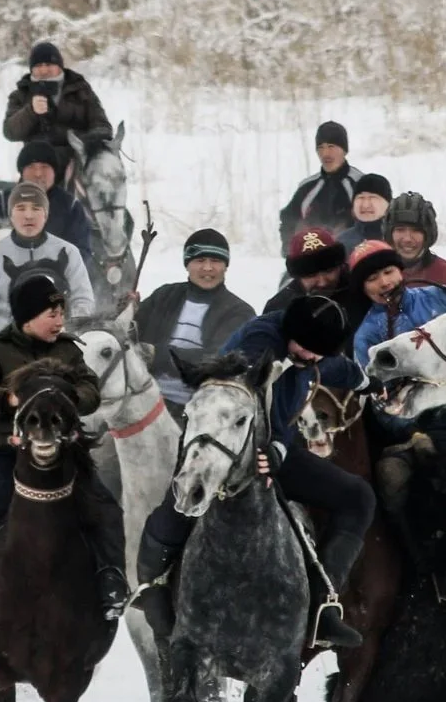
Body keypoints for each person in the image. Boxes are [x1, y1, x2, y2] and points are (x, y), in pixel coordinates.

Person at [134, 294, 375, 651]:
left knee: (359, 497)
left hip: (273, 449)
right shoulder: (258, 346)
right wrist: (274, 447)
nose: (309, 357)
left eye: (317, 352)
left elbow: (327, 365)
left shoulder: (309, 351)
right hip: (222, 442)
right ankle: (153, 590)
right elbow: (255, 401)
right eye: (305, 348)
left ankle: (323, 603)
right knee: (181, 504)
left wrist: (366, 382)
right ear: (289, 333)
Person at [0, 272, 127, 624]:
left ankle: (111, 575)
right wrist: (7, 399)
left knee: (102, 502)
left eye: (61, 312)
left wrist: (67, 397)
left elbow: (90, 392)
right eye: (52, 313)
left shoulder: (69, 350)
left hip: (64, 453)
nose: (60, 320)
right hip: (6, 454)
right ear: (28, 316)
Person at [0, 181, 96, 380]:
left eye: (36, 208)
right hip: (3, 353)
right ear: (11, 214)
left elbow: (83, 300)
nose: (28, 215)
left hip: (58, 351)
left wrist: (67, 334)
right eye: (21, 208)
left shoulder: (68, 252)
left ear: (45, 215)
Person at [132, 229, 256, 420]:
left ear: (225, 266)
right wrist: (126, 313)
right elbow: (129, 338)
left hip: (201, 407)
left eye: (215, 261)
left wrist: (158, 355)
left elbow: (219, 359)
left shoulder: (239, 312)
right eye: (199, 260)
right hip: (145, 397)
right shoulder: (164, 296)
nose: (207, 268)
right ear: (187, 264)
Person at [347, 238, 446, 366]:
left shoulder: (439, 296)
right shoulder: (366, 335)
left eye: (388, 272)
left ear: (401, 272)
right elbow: (374, 382)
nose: (384, 283)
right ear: (363, 289)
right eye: (372, 278)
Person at [0, 140, 94, 260]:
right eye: (31, 167)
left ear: (54, 172)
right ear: (22, 171)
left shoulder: (71, 206)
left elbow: (82, 252)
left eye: (44, 167)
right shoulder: (3, 202)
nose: (38, 173)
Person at [1, 40, 113, 150]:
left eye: (49, 64)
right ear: (31, 69)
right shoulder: (21, 94)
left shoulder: (80, 88)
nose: (44, 70)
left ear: (60, 66)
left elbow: (101, 123)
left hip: (77, 156)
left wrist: (91, 141)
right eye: (39, 65)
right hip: (39, 161)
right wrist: (31, 111)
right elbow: (10, 132)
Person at [277, 121, 362, 240]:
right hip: (313, 255)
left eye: (331, 147)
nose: (325, 153)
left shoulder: (361, 183)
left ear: (344, 150)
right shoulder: (307, 187)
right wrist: (290, 251)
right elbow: (288, 219)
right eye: (320, 147)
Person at [385, 191, 446, 300]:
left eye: (416, 231)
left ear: (428, 235)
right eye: (400, 230)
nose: (407, 238)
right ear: (390, 233)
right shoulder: (376, 275)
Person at [263, 225, 352, 322]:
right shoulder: (279, 307)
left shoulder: (360, 291)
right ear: (298, 277)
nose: (323, 282)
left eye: (329, 271)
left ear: (340, 266)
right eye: (311, 275)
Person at [339, 172, 393, 250]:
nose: (365, 205)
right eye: (360, 198)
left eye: (373, 197)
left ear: (389, 204)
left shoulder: (400, 239)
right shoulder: (342, 242)